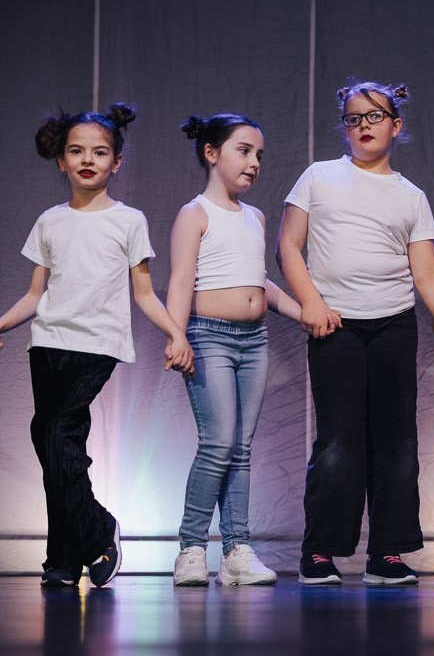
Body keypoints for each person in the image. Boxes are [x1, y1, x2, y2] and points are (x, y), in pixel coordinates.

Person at [277, 80, 434, 585]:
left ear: (395, 126)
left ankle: (388, 552)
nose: (363, 126)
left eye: (374, 116)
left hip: (393, 325)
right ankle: (321, 550)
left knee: (396, 440)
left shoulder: (411, 196)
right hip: (335, 323)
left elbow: (426, 274)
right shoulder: (319, 176)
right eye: (354, 118)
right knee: (338, 439)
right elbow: (289, 246)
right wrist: (312, 302)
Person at [0, 103, 194, 588]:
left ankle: (98, 528)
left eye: (100, 152)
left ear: (117, 161)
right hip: (47, 344)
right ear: (61, 161)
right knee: (59, 447)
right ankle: (62, 560)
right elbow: (35, 296)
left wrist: (175, 332)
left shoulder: (129, 221)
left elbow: (143, 294)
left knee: (52, 433)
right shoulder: (50, 221)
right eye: (76, 151)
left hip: (98, 345)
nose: (87, 159)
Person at [167, 113, 303, 586]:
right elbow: (181, 280)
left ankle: (236, 552)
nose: (254, 162)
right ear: (211, 153)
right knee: (218, 443)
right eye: (243, 151)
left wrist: (306, 311)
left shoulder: (255, 217)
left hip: (254, 340)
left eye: (259, 154)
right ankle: (190, 548)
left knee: (241, 448)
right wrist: (177, 334)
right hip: (209, 336)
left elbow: (259, 282)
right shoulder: (194, 214)